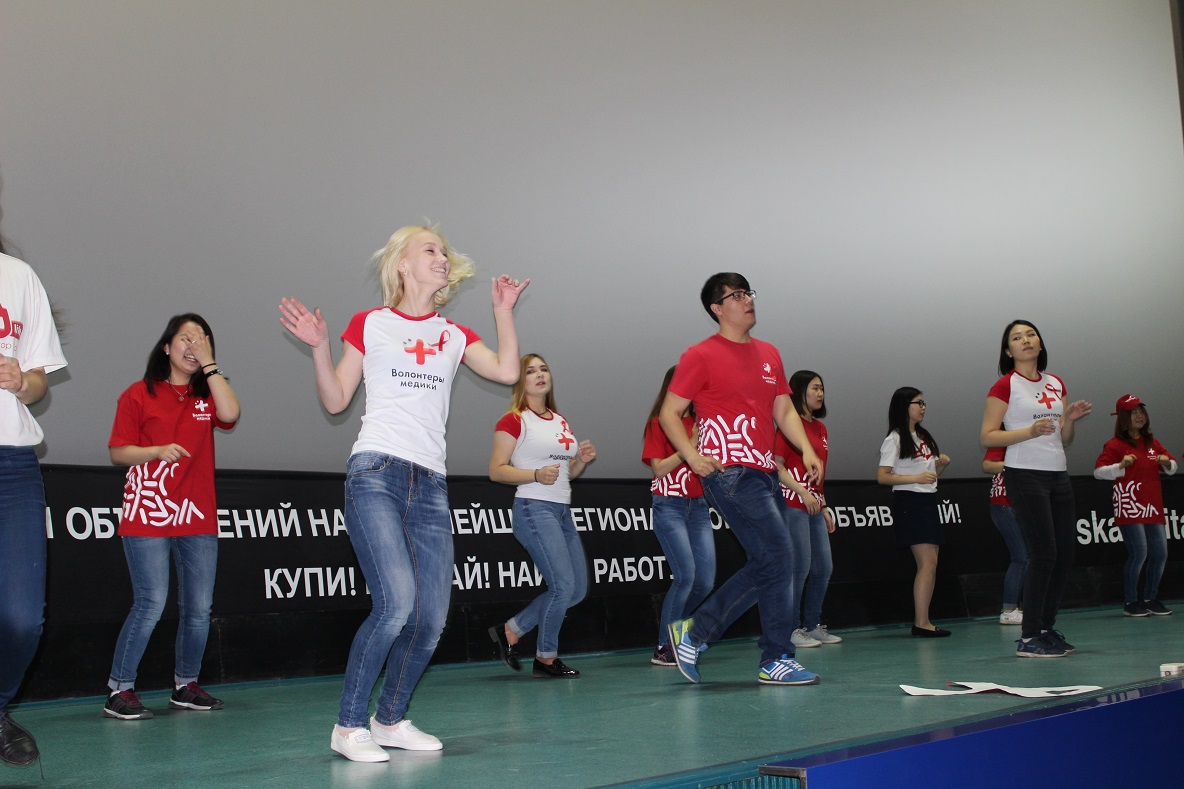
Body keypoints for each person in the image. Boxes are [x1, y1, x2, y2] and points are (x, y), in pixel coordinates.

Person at [280, 225, 527, 762]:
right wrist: (320, 349)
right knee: (395, 605)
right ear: (402, 264)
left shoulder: (454, 334)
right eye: (430, 250)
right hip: (376, 473)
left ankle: (389, 719)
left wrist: (503, 310)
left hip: (431, 484)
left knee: (431, 618)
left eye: (445, 252)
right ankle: (348, 725)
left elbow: (508, 370)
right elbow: (336, 400)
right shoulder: (369, 324)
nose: (442, 258)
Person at [661, 273, 823, 687]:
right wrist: (693, 457)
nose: (747, 299)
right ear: (717, 308)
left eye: (748, 292)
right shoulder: (700, 355)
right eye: (735, 295)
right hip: (730, 473)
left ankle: (695, 633)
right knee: (780, 556)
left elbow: (783, 409)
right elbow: (669, 413)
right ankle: (776, 657)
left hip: (765, 472)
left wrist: (805, 448)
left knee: (773, 561)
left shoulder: (769, 353)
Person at [104, 314, 240, 720]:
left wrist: (211, 365)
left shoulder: (207, 395)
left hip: (196, 516)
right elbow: (118, 452)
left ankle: (186, 685)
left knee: (199, 607)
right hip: (148, 514)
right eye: (186, 338)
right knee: (150, 603)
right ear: (166, 347)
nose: (193, 345)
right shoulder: (138, 394)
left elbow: (231, 413)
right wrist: (155, 451)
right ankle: (119, 689)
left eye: (202, 339)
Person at [980, 320, 1091, 658]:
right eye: (1017, 337)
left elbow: (1063, 439)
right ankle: (1028, 637)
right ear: (1008, 350)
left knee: (1064, 554)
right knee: (1043, 553)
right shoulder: (1005, 385)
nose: (1025, 340)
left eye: (1030, 335)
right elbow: (987, 435)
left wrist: (1069, 420)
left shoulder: (1055, 383)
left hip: (1058, 473)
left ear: (1040, 343)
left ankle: (1045, 627)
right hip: (1025, 474)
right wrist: (1028, 432)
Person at [487, 354, 596, 678]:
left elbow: (565, 473)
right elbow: (496, 470)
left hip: (561, 510)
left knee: (576, 590)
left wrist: (581, 461)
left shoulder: (559, 420)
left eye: (544, 369)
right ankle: (545, 658)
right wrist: (534, 474)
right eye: (530, 371)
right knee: (562, 586)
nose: (539, 375)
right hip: (534, 508)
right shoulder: (513, 420)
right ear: (520, 380)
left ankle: (511, 630)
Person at [0, 245, 66, 767]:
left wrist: (23, 380)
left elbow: (40, 382)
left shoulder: (19, 276)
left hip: (12, 465)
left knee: (23, 619)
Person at [640, 366, 714, 667]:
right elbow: (658, 469)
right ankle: (665, 646)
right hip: (669, 504)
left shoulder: (701, 423)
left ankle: (680, 632)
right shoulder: (659, 422)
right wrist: (688, 448)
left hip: (699, 507)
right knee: (685, 576)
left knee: (705, 581)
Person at [877, 387, 952, 637]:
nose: (923, 407)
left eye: (923, 403)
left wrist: (940, 466)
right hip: (910, 502)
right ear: (904, 406)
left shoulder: (922, 436)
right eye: (918, 403)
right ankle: (921, 622)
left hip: (927, 500)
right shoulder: (895, 439)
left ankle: (924, 620)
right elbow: (883, 476)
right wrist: (916, 477)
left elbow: (929, 476)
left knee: (932, 562)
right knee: (927, 562)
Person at [1093, 395, 1177, 617]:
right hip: (1130, 507)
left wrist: (1167, 463)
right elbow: (1098, 472)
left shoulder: (1152, 442)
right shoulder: (1114, 445)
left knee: (1160, 554)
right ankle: (1131, 602)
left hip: (1152, 507)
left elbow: (1172, 466)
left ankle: (1151, 598)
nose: (1139, 416)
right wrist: (1121, 465)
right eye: (1133, 412)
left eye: (1141, 411)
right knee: (1139, 553)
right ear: (1123, 418)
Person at [777, 370, 841, 649]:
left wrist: (823, 505)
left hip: (815, 506)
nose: (820, 393)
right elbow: (776, 466)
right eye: (814, 388)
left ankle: (812, 625)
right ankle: (790, 629)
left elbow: (818, 475)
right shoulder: (787, 425)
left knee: (823, 567)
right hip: (792, 504)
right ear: (800, 390)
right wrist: (802, 492)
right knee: (799, 567)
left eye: (822, 388)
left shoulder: (821, 429)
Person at [983, 445, 1027, 625]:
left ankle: (1021, 607)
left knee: (1028, 558)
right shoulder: (1002, 440)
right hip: (1004, 504)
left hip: (1022, 505)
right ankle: (1009, 609)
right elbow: (987, 465)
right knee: (1021, 558)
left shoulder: (1031, 440)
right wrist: (1016, 465)